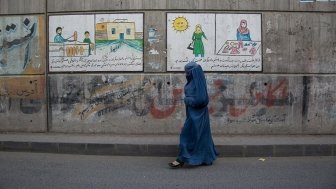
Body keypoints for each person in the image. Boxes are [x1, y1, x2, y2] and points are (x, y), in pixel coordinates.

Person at [169, 62, 218, 168]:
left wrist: (187, 100)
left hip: (197, 115)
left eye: (187, 72)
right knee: (201, 136)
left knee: (187, 135)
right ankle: (206, 158)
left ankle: (181, 159)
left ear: (193, 72)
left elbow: (202, 100)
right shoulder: (193, 81)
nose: (186, 74)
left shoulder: (197, 82)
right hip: (192, 113)